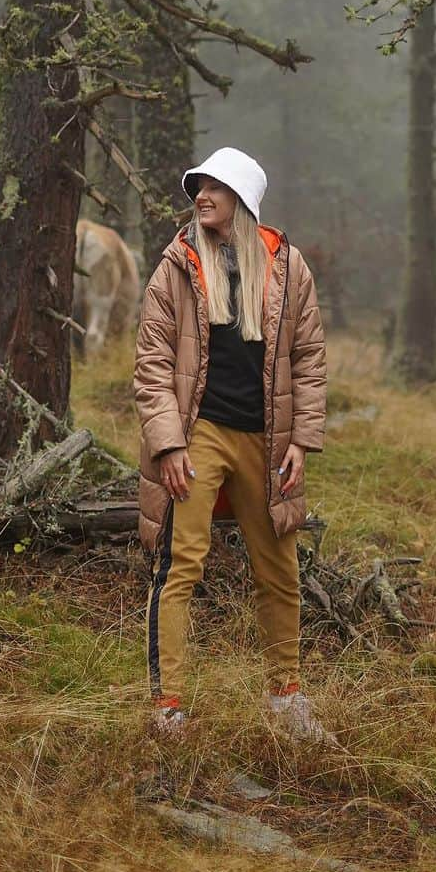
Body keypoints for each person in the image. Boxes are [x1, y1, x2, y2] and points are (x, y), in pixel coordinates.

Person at [133, 147, 332, 743]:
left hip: (268, 441)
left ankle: (287, 700)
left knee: (280, 571)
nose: (202, 195)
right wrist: (169, 446)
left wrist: (302, 440)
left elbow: (309, 359)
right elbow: (151, 364)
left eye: (215, 187)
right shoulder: (176, 264)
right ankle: (169, 707)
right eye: (198, 185)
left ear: (242, 198)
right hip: (200, 436)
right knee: (181, 567)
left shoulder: (287, 267)